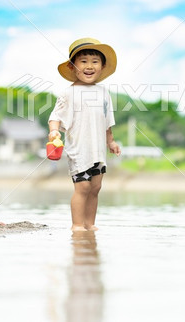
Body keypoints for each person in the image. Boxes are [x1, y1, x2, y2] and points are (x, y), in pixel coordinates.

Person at [48, 37, 121, 231]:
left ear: (102, 67)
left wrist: (111, 142)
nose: (89, 66)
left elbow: (107, 122)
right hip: (79, 149)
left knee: (96, 187)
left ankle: (90, 223)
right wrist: (54, 131)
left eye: (95, 61)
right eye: (83, 61)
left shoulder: (103, 93)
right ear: (73, 67)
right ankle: (77, 224)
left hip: (98, 150)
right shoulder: (68, 93)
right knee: (83, 187)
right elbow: (55, 116)